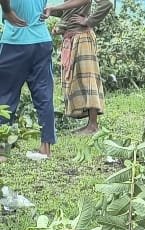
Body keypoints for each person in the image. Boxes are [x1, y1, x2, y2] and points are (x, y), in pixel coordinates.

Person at [0, 0, 55, 159]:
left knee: (5, 94)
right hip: (41, 40)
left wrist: (7, 11)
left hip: (15, 40)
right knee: (44, 94)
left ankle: (2, 149)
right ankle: (46, 148)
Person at [46, 0, 109, 134]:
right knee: (77, 80)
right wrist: (50, 11)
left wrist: (88, 21)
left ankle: (93, 125)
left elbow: (106, 3)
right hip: (72, 37)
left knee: (88, 80)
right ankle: (89, 124)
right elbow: (69, 10)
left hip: (82, 38)